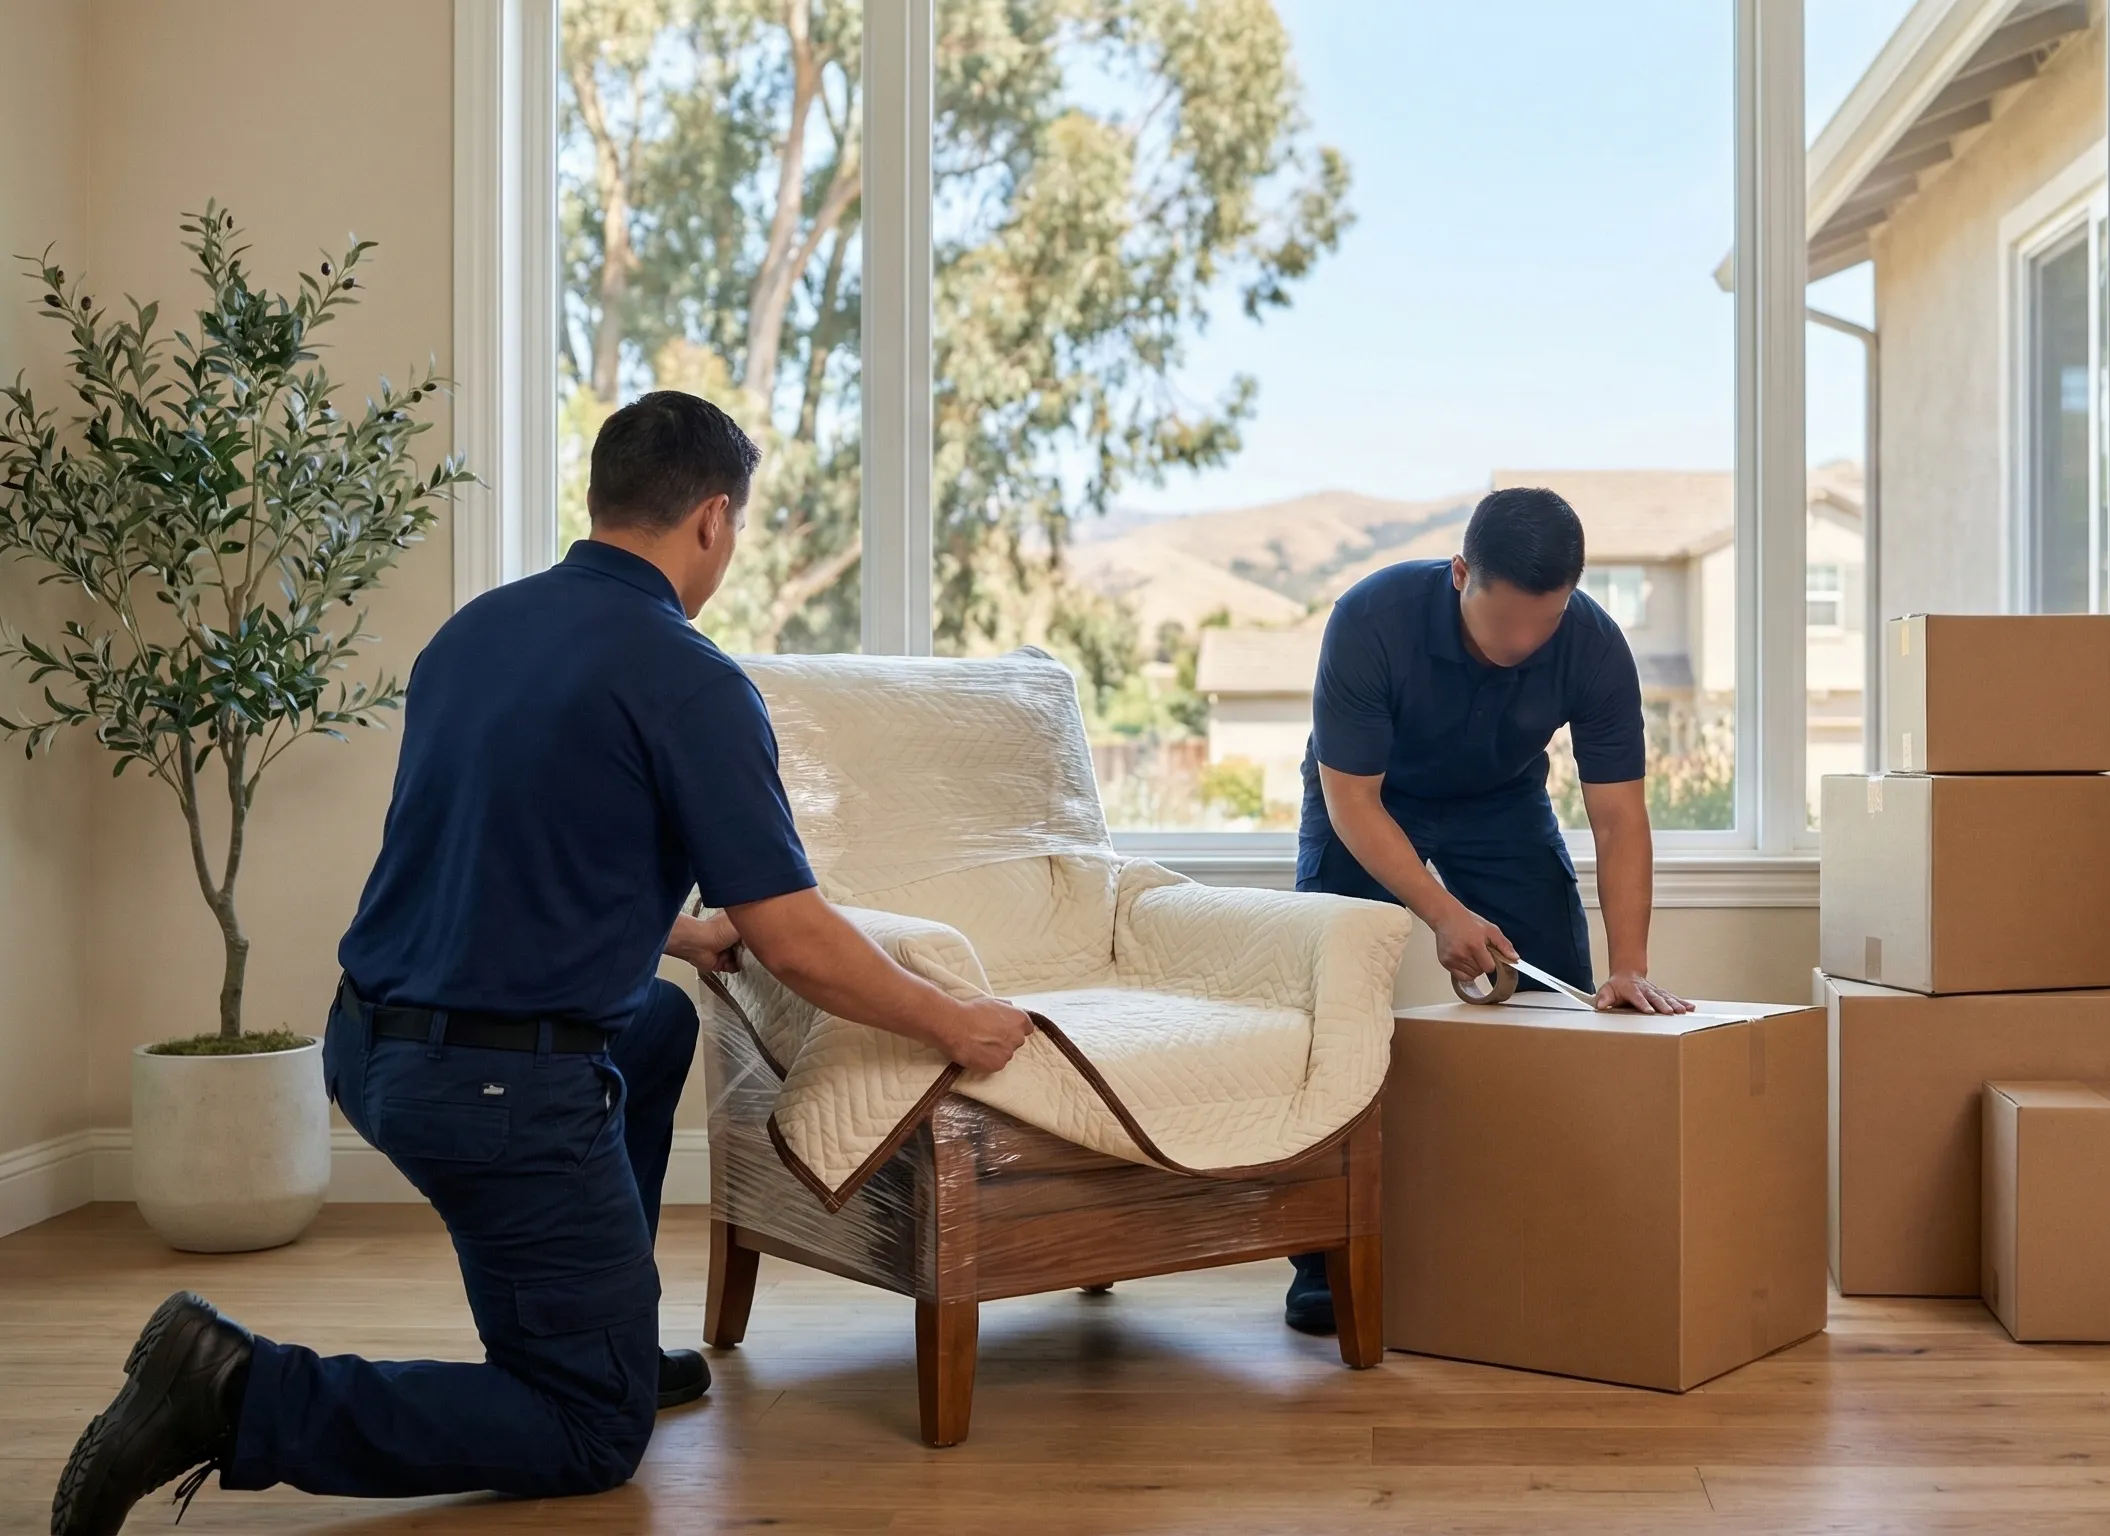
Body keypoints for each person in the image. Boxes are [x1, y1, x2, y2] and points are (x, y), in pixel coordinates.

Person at [51, 392, 1036, 1534]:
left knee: (656, 1025)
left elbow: (498, 846)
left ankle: (592, 1319)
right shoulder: (694, 680)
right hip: (488, 1093)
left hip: (368, 1044)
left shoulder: (474, 634)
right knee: (588, 1432)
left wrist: (671, 929)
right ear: (713, 521)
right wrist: (951, 1022)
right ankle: (234, 1389)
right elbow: (795, 937)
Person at [1281, 485, 1692, 1335]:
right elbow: (1354, 800)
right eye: (1504, 622)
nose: (1521, 644)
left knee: (1563, 1005)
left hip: (1501, 800)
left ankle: (1537, 1230)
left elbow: (1619, 820)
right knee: (1332, 1005)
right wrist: (1441, 913)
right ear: (1462, 573)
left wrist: (1631, 967)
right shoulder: (1372, 619)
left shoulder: (1592, 643)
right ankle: (1323, 1260)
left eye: (1543, 624)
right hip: (1368, 794)